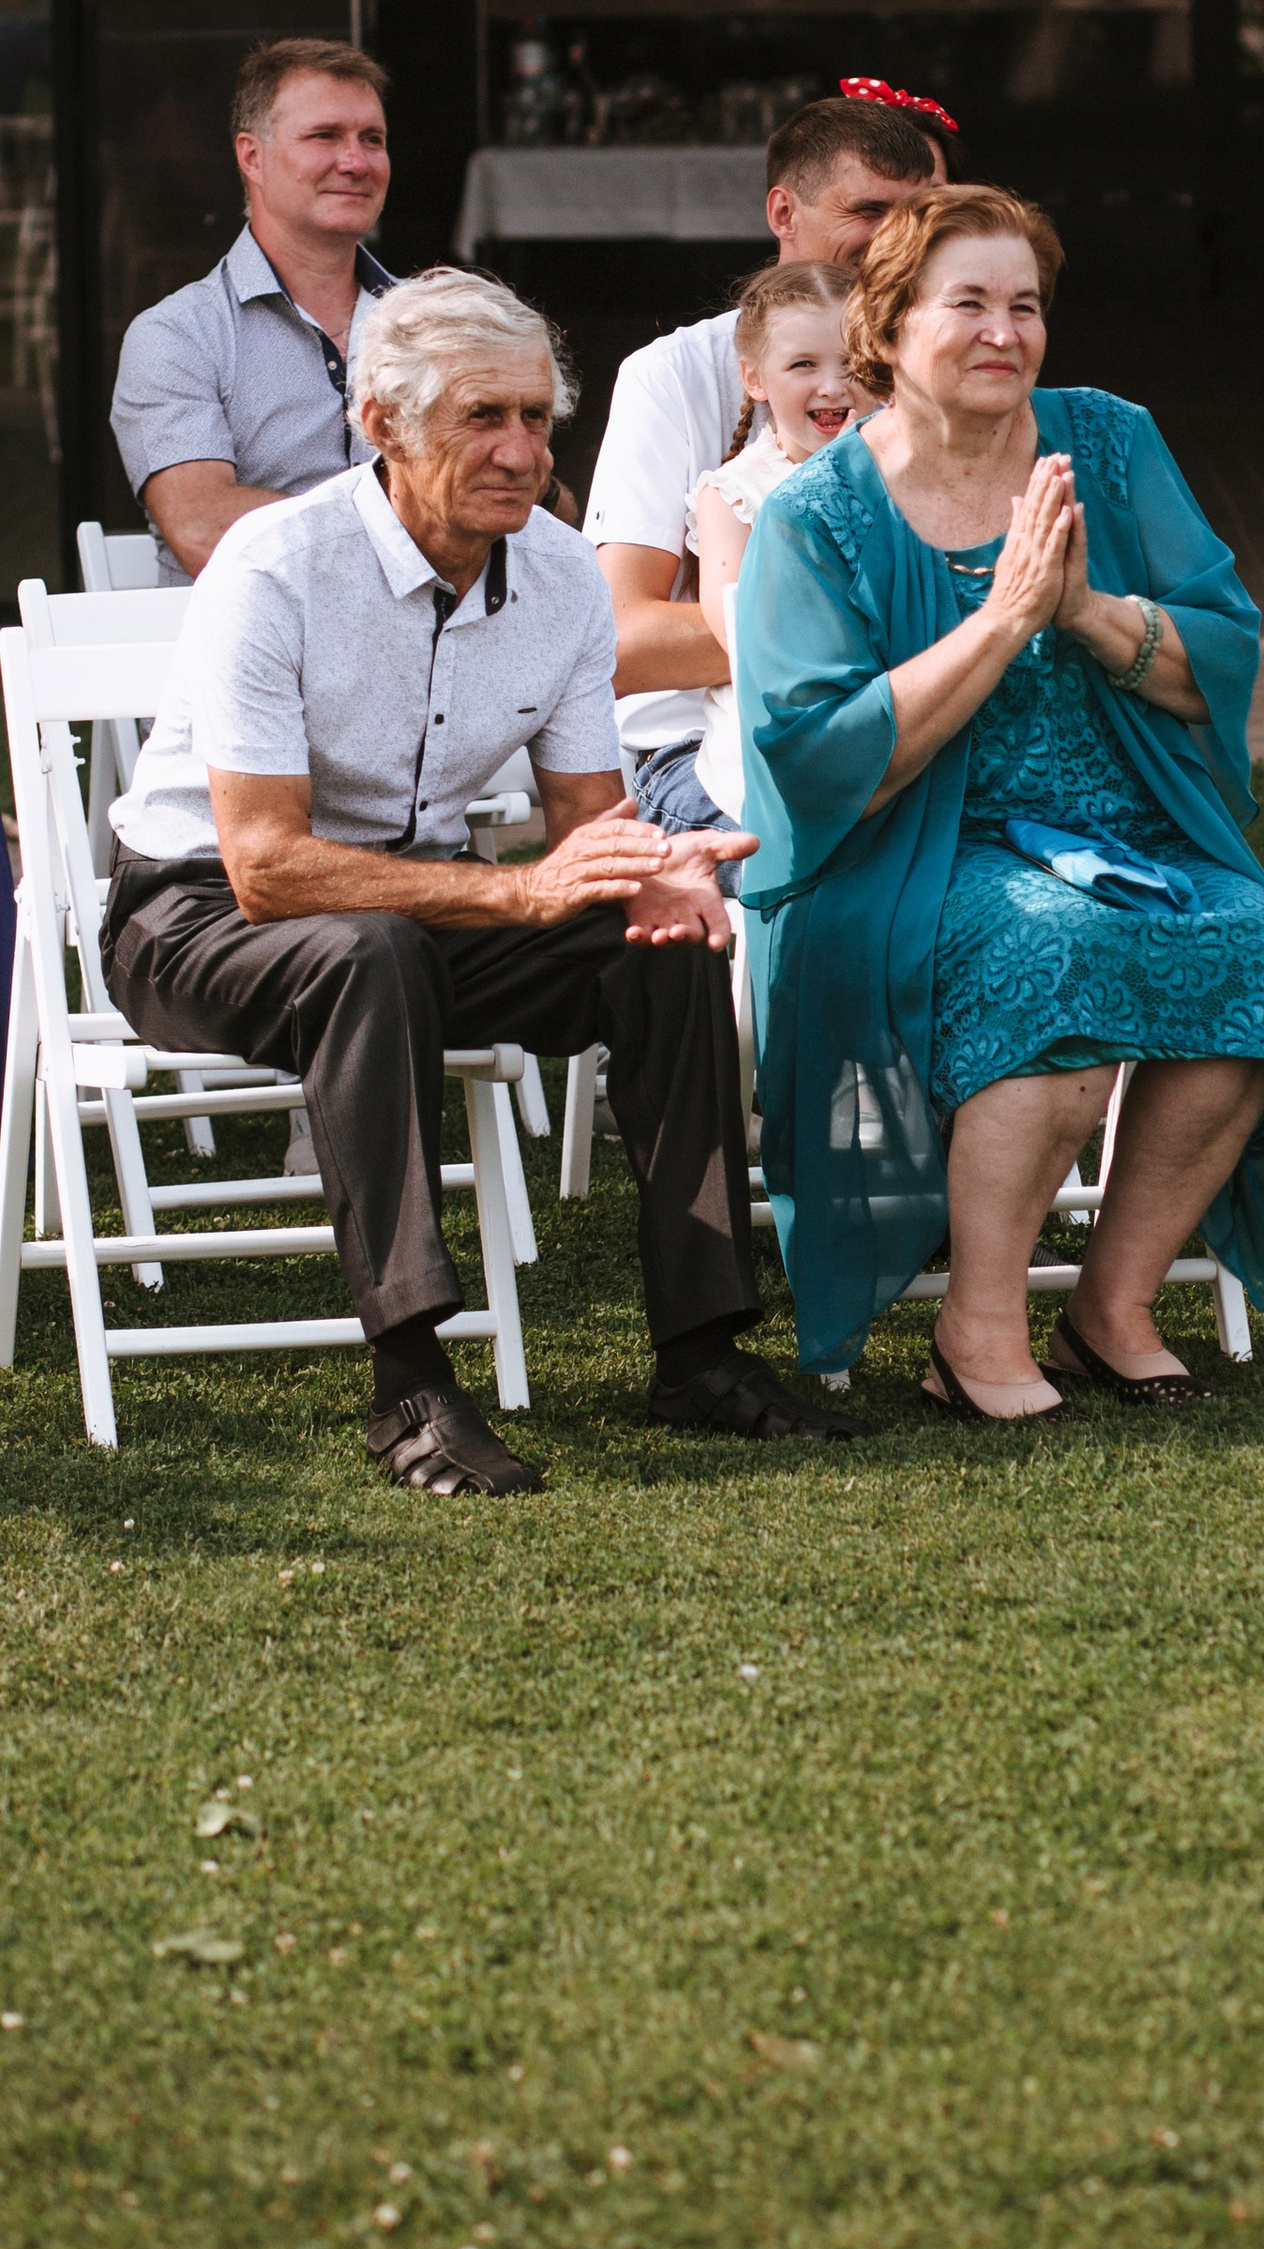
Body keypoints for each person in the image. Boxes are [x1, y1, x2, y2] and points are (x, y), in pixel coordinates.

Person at [102, 269, 869, 1496]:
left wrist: (657, 869)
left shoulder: (560, 576)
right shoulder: (274, 565)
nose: (520, 452)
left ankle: (702, 1350)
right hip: (196, 914)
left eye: (534, 419)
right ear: (383, 426)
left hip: (407, 911)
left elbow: (586, 823)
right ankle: (410, 1387)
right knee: (368, 949)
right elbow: (266, 864)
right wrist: (517, 894)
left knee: (659, 939)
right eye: (482, 419)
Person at [730, 185, 1264, 1421]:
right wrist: (1004, 617)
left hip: (1125, 825)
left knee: (1247, 935)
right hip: (913, 852)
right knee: (1059, 947)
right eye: (966, 302)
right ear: (890, 322)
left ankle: (1110, 1307)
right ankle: (978, 1325)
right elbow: (818, 762)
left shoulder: (1108, 444)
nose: (1002, 332)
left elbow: (1217, 656)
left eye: (1024, 305)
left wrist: (1078, 609)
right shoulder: (818, 519)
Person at [584, 83, 953, 849]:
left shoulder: (941, 369)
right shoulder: (675, 374)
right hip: (704, 753)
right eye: (870, 211)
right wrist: (861, 642)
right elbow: (619, 641)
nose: (901, 240)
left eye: (918, 217)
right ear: (784, 213)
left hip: (905, 729)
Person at [110, 38, 409, 580]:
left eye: (373, 139)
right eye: (324, 136)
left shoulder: (435, 325)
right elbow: (204, 530)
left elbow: (533, 503)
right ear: (252, 157)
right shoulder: (177, 337)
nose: (356, 161)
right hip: (252, 656)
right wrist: (426, 525)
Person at [686, 262, 859, 847]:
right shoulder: (733, 494)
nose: (834, 385)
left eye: (852, 362)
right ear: (755, 379)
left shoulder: (904, 477)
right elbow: (742, 631)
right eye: (804, 365)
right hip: (773, 745)